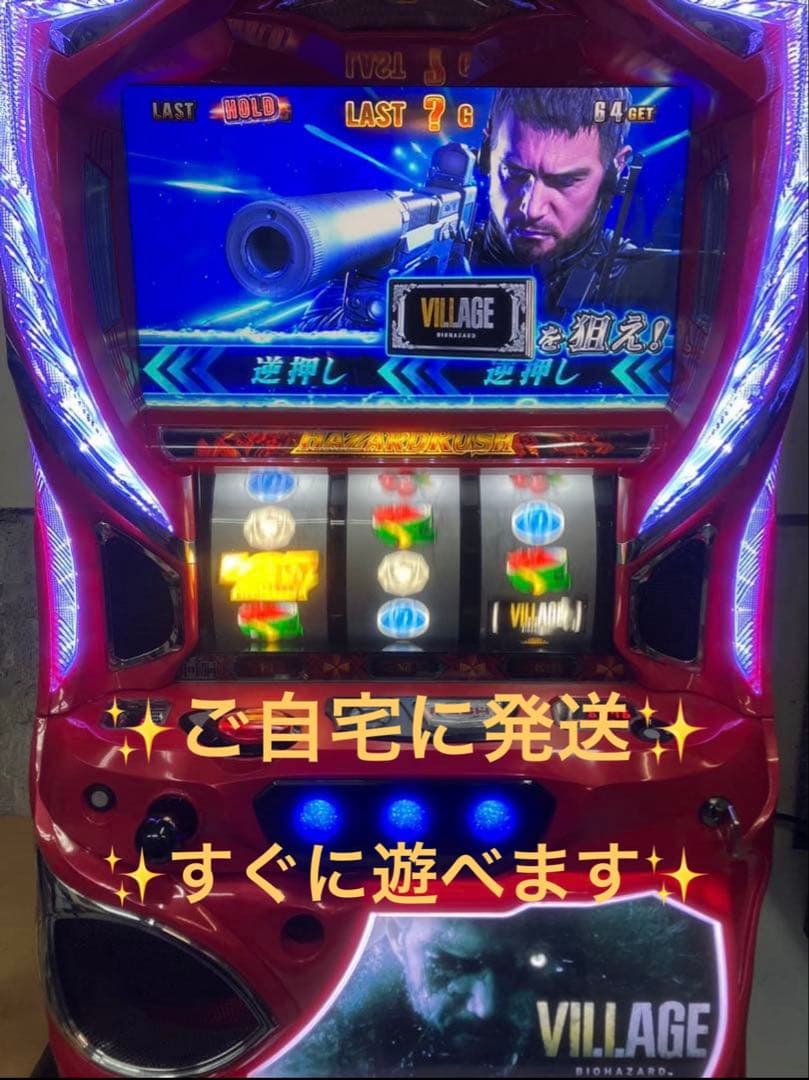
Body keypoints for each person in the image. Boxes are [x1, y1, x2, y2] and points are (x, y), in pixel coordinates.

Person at [474, 87, 680, 317]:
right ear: (486, 155)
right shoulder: (448, 256)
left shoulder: (650, 285)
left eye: (565, 181)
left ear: (615, 170)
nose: (532, 209)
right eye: (514, 172)